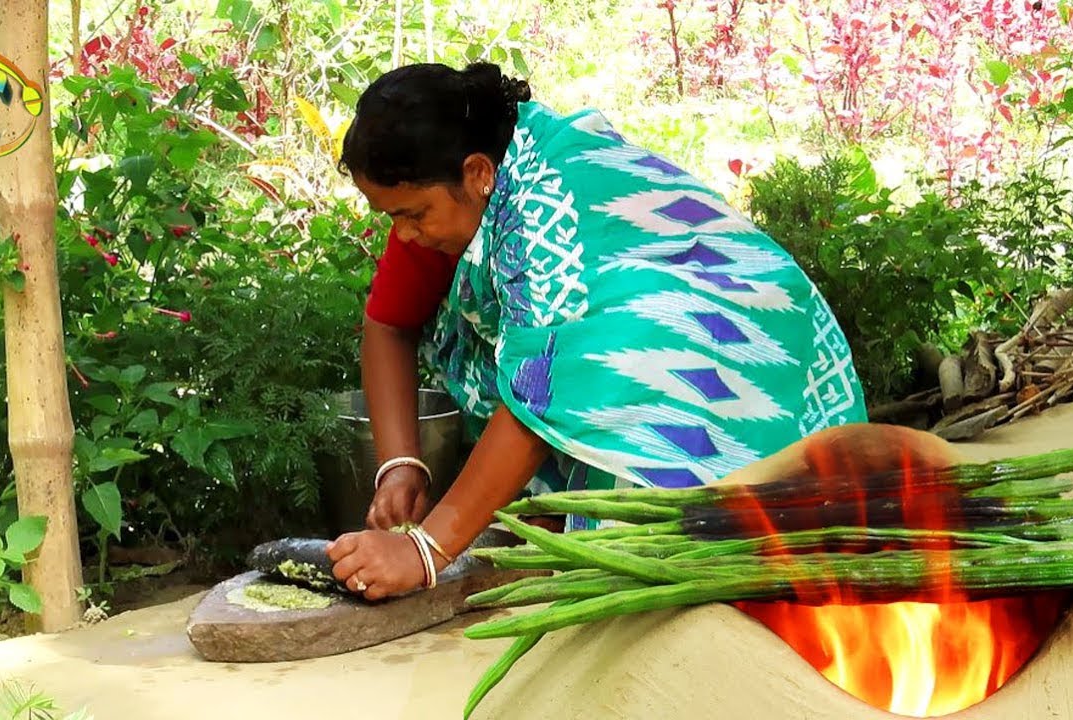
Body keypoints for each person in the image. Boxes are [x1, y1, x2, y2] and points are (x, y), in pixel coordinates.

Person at [327, 62, 867, 600]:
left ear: (477, 173)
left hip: (747, 349)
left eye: (413, 215)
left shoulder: (540, 221)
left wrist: (425, 551)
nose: (403, 235)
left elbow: (540, 401)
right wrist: (400, 465)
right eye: (391, 216)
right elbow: (389, 324)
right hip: (687, 338)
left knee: (631, 554)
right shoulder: (453, 194)